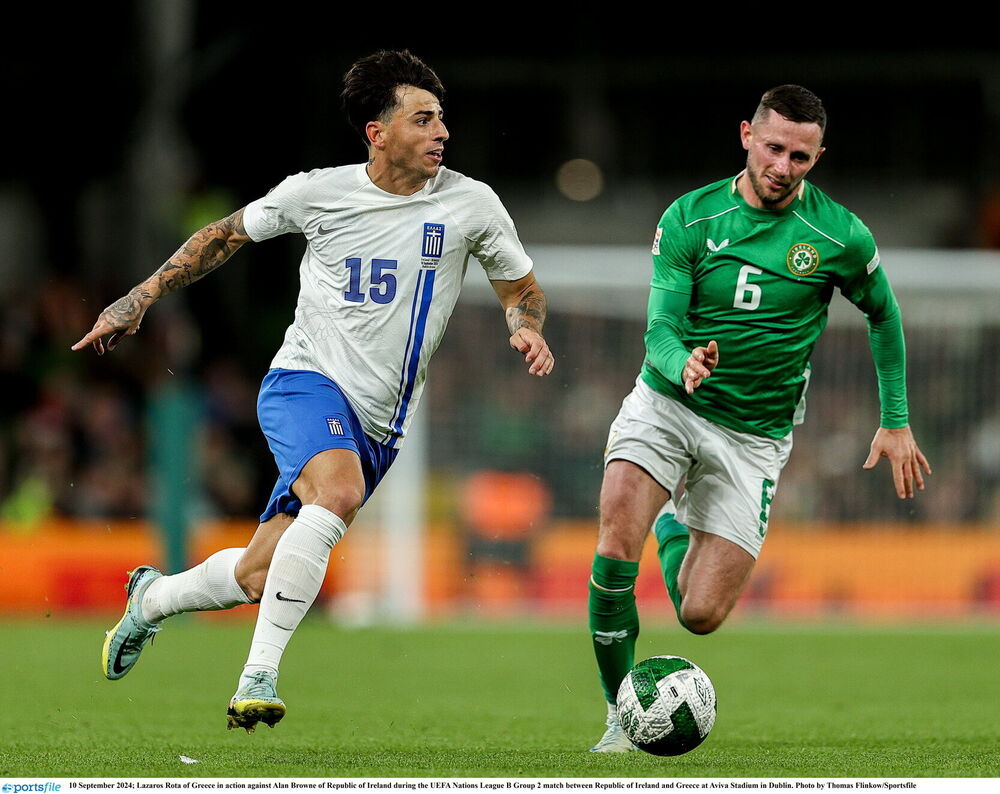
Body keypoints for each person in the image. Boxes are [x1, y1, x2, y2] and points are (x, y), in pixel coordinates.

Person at [73, 49, 554, 733]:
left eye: (443, 118)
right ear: (377, 132)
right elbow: (224, 234)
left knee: (257, 576)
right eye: (423, 119)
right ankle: (257, 676)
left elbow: (521, 289)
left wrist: (523, 327)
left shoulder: (472, 205)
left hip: (382, 423)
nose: (441, 131)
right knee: (337, 493)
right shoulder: (317, 192)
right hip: (305, 382)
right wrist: (139, 297)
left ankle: (151, 600)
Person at [586, 85, 930, 752]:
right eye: (773, 148)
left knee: (701, 615)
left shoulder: (840, 235)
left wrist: (896, 419)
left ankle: (671, 520)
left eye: (800, 156)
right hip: (668, 403)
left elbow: (884, 315)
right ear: (747, 134)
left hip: (755, 436)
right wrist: (682, 360)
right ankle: (618, 713)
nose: (783, 166)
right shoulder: (689, 218)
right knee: (611, 540)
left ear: (818, 155)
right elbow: (659, 326)